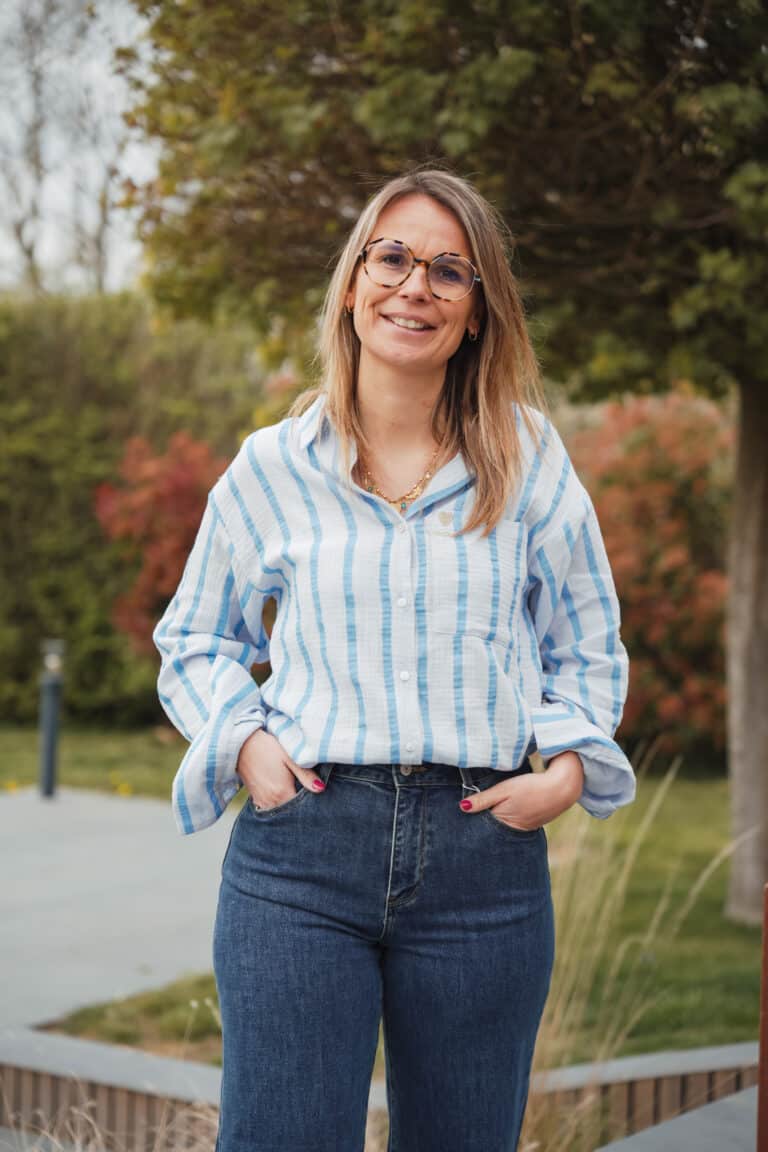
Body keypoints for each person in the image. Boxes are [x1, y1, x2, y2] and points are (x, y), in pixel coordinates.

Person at [153, 167, 636, 1152]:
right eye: (394, 257)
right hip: (301, 858)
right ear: (352, 283)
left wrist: (569, 773)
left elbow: (586, 646)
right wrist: (246, 747)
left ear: (475, 315)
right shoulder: (272, 469)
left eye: (450, 272)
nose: (416, 285)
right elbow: (195, 639)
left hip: (483, 865)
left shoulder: (529, 459)